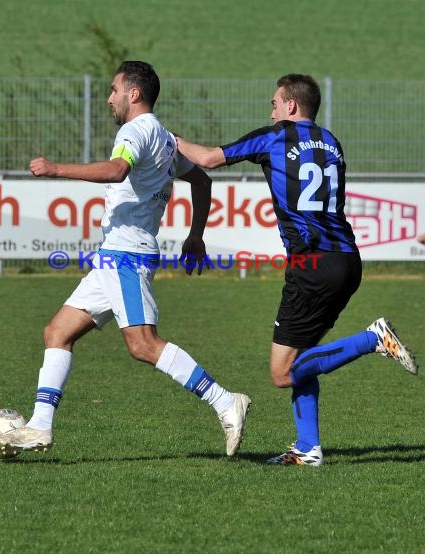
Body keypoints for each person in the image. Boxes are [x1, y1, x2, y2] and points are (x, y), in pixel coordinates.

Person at [0, 61, 250, 458]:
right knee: (57, 332)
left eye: (113, 90)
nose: (108, 98)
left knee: (143, 345)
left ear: (134, 93)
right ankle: (40, 427)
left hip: (126, 256)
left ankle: (225, 401)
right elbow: (202, 179)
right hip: (113, 257)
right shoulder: (162, 136)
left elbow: (116, 171)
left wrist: (57, 169)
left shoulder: (136, 130)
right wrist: (195, 236)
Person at [176, 73, 417, 466]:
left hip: (311, 265)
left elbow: (205, 159)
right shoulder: (332, 142)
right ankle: (308, 448)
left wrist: (163, 135)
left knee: (282, 372)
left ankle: (372, 339)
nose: (271, 111)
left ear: (291, 106)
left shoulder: (276, 137)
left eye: (274, 104)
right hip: (347, 259)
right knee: (303, 359)